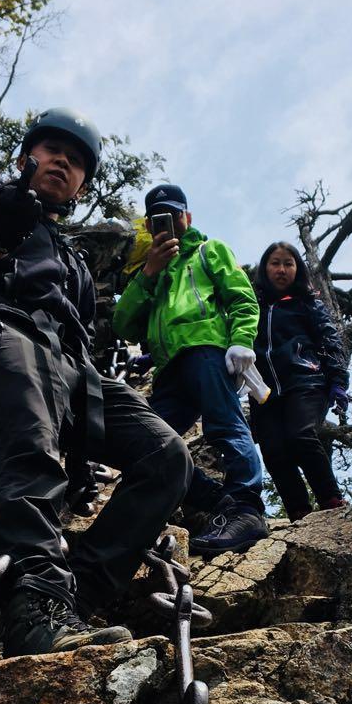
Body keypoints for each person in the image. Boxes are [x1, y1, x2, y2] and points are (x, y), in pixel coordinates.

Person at [0, 108, 191, 657]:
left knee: (167, 455)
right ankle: (33, 610)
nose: (63, 162)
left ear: (81, 184)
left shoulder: (73, 256)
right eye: (54, 150)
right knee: (31, 447)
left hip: (74, 370)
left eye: (76, 161)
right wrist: (8, 224)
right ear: (28, 156)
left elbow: (86, 335)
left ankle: (76, 593)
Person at [112, 184, 268, 555]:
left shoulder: (208, 250)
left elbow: (241, 296)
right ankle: (220, 501)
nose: (169, 222)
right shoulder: (152, 271)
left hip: (207, 351)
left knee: (224, 424)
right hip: (168, 368)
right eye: (158, 217)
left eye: (174, 213)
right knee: (147, 441)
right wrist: (149, 273)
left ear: (188, 217)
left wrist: (242, 340)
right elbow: (123, 326)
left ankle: (247, 508)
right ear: (149, 225)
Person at [250, 241, 349, 519]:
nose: (281, 269)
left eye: (288, 263)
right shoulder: (250, 306)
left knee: (301, 435)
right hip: (263, 389)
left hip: (306, 380)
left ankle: (331, 499)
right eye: (275, 263)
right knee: (273, 450)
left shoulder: (307, 303)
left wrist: (338, 380)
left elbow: (330, 339)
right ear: (265, 268)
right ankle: (299, 512)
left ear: (298, 269)